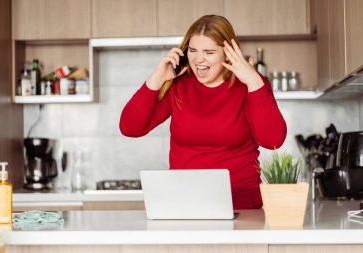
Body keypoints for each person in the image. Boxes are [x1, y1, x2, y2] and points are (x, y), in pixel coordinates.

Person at [119, 15, 287, 209]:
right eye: (192, 50)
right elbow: (130, 128)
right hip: (184, 202)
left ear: (228, 53)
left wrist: (255, 81)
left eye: (209, 52)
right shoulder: (178, 86)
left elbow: (273, 141)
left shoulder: (248, 85)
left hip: (241, 203)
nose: (199, 59)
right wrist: (157, 78)